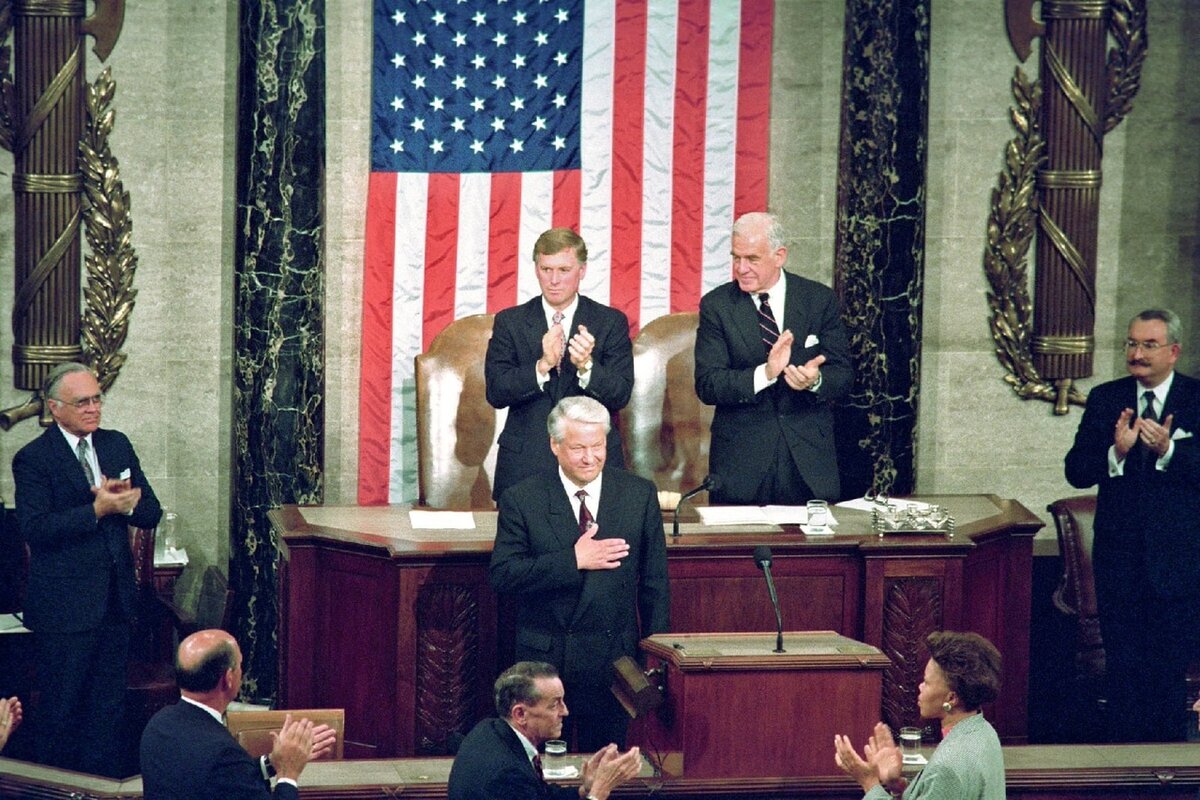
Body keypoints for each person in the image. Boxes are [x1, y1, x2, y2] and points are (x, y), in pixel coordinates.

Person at [489, 396, 669, 751]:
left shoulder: (638, 495)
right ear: (555, 445)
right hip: (546, 663)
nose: (590, 458)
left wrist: (656, 658)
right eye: (578, 448)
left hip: (613, 662)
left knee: (604, 761)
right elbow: (504, 575)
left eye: (597, 446)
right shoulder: (522, 499)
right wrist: (572, 560)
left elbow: (655, 585)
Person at [12, 362, 162, 775]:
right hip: (64, 610)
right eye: (82, 402)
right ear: (54, 407)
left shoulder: (116, 445)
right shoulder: (34, 459)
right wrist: (96, 510)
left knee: (107, 712)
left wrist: (126, 502)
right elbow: (36, 529)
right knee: (61, 712)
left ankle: (103, 787)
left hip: (115, 605)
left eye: (97, 399)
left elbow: (150, 512)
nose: (94, 408)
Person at [1065, 308, 1200, 741]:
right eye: (1131, 343)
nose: (1136, 354)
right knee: (1124, 674)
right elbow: (1076, 471)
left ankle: (1168, 766)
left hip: (1177, 568)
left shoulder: (1195, 399)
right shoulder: (1106, 398)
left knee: (1166, 676)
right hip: (1119, 564)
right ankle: (1121, 764)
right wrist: (1116, 452)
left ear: (1173, 351)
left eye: (1148, 345)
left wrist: (1169, 451)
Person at [694, 211, 852, 505]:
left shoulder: (818, 299)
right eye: (736, 258)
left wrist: (815, 380)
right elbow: (708, 384)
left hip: (808, 462)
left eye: (752, 259)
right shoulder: (717, 306)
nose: (741, 268)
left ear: (780, 256)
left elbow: (843, 375)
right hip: (742, 464)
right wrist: (765, 374)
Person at [485, 227, 634, 501]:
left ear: (582, 270)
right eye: (546, 269)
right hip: (525, 466)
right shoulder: (510, 322)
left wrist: (586, 366)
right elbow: (496, 392)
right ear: (536, 269)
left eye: (564, 270)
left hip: (592, 466)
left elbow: (621, 394)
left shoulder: (610, 322)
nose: (554, 280)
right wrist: (541, 366)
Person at [140, 629, 336, 799]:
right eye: (240, 665)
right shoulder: (223, 754)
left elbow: (216, 780)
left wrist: (271, 763)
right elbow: (223, 771)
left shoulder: (158, 724)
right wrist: (288, 774)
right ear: (228, 678)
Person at [834, 630, 1005, 799]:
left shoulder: (947, 767)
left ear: (951, 698)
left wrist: (869, 782)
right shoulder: (985, 732)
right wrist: (897, 786)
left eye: (927, 682)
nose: (920, 687)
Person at [447, 661, 642, 800]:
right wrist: (599, 792)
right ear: (520, 714)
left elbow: (540, 795)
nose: (565, 711)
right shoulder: (506, 776)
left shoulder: (488, 730)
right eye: (554, 705)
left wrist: (585, 789)